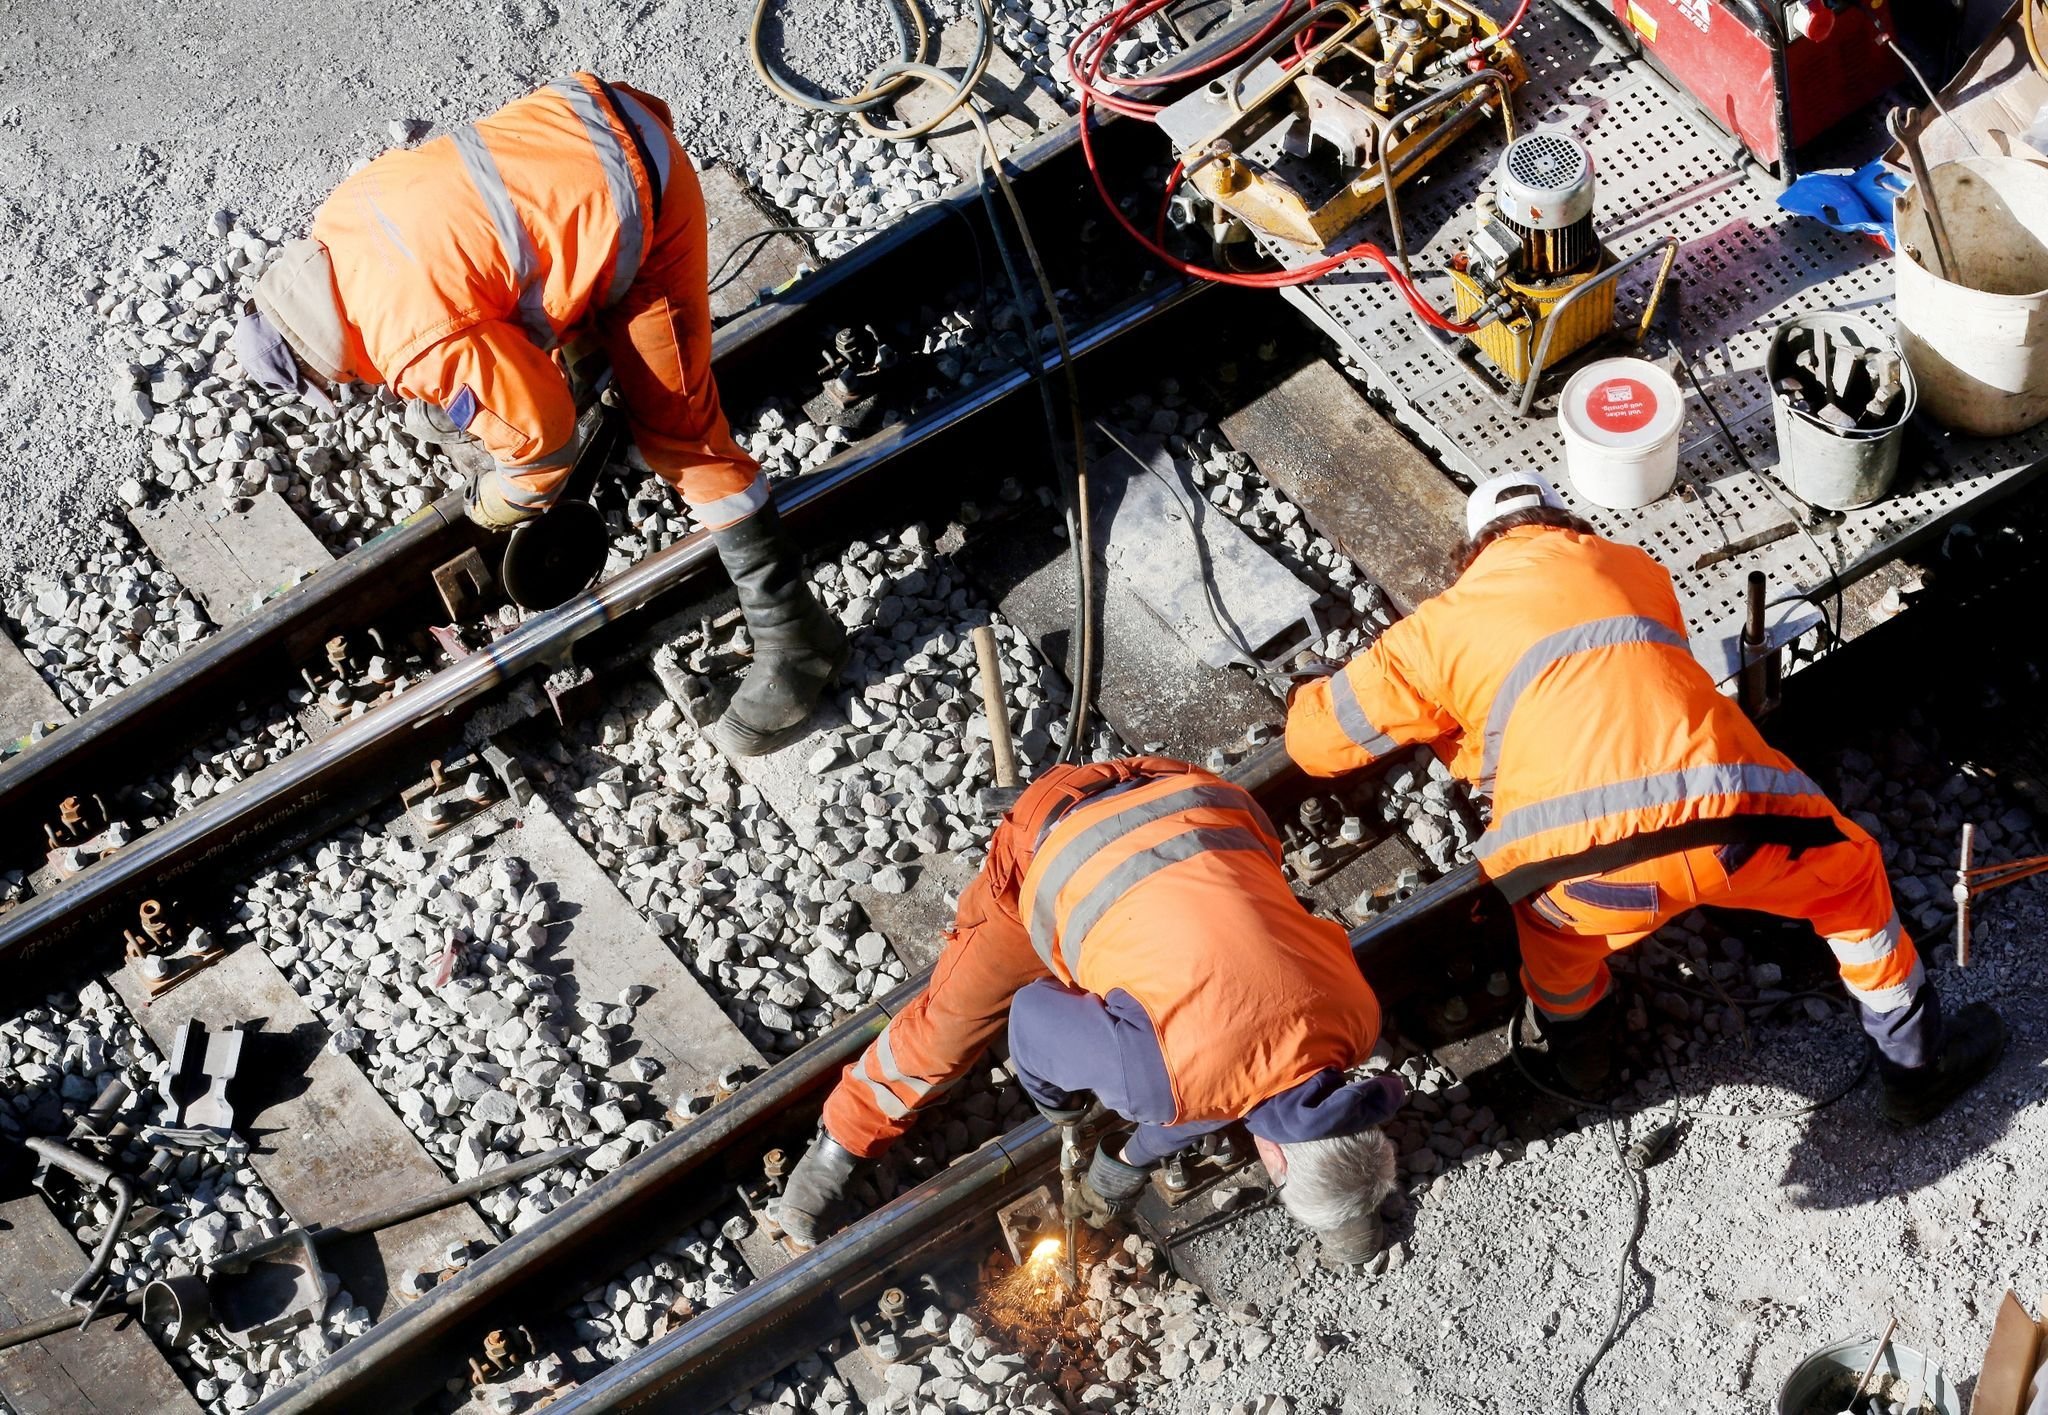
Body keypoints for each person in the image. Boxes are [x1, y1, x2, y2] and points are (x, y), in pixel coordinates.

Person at [1285, 473, 2006, 1125]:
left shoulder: (1439, 626)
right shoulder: (1634, 567)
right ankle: (1915, 1067)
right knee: (1852, 882)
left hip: (1578, 873)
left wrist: (1323, 693)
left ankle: (1585, 1063)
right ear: (1565, 524)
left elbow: (1315, 746)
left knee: (1558, 952)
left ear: (1472, 555)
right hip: (1733, 821)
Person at [228, 74, 843, 756]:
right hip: (593, 118)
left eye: (330, 382)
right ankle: (603, 363)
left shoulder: (408, 340)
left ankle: (796, 636)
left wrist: (499, 502)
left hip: (646, 202)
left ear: (321, 360)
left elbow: (542, 443)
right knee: (521, 290)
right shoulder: (340, 220)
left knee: (683, 440)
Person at [775, 756, 1406, 1268]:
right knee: (954, 1020)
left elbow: (1230, 1079)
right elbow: (1030, 1017)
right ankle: (847, 1131)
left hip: (1197, 799)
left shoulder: (1359, 1020)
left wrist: (1129, 1159)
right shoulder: (1157, 1085)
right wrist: (1061, 1104)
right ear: (1276, 1159)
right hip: (1055, 838)